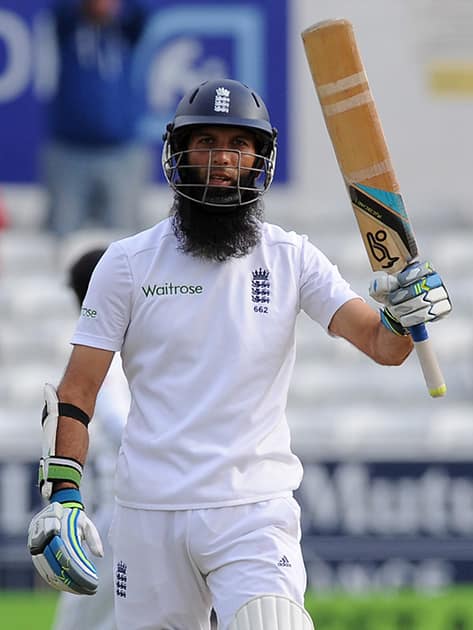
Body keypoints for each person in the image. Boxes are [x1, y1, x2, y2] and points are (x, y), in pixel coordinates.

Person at [27, 79, 452, 630]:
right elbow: (77, 391)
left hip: (253, 509)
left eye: (238, 144)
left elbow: (381, 344)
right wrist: (63, 495)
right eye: (204, 142)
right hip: (149, 512)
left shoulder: (292, 257)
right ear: (178, 152)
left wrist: (403, 315)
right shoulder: (126, 263)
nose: (222, 158)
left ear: (259, 158)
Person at [52, 248, 129, 630]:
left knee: (79, 620)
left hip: (123, 508)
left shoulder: (103, 352)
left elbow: (115, 420)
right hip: (136, 501)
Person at [41, 0, 151, 237]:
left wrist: (117, 7)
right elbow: (56, 9)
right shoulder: (68, 27)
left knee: (126, 236)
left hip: (121, 152)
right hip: (69, 151)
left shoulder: (125, 30)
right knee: (61, 234)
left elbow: (145, 10)